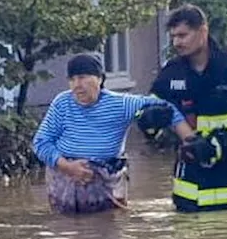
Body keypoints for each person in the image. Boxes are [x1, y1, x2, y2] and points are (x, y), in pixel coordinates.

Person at [139, 4, 227, 213]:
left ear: (203, 31)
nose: (177, 43)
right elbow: (146, 116)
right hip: (188, 198)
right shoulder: (171, 73)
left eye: (183, 35)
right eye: (173, 37)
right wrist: (149, 119)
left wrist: (215, 146)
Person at [33, 53, 192, 214]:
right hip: (65, 180)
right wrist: (67, 167)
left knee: (110, 226)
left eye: (82, 77)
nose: (76, 85)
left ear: (100, 79)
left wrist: (190, 141)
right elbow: (41, 142)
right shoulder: (62, 103)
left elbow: (168, 109)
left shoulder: (121, 104)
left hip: (107, 182)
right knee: (67, 227)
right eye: (72, 79)